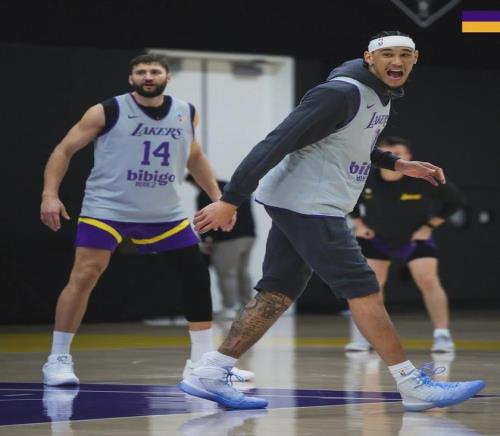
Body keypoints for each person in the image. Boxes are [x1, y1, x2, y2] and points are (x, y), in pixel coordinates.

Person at [178, 31, 485, 410]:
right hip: (311, 203)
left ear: (416, 58)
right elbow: (276, 142)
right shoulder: (339, 93)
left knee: (277, 292)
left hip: (299, 201)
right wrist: (230, 199)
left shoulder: (379, 94)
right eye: (388, 54)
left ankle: (212, 370)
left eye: (405, 55)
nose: (397, 62)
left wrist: (396, 163)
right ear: (369, 58)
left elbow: (352, 143)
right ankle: (412, 385)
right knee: (364, 289)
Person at [40, 53, 253, 386]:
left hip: (163, 213)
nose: (148, 76)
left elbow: (195, 156)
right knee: (84, 275)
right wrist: (50, 195)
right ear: (131, 78)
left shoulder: (186, 112)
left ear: (167, 77)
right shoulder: (107, 110)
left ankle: (201, 363)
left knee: (195, 277)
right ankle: (58, 358)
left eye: (155, 71)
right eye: (141, 72)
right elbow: (63, 149)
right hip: (108, 209)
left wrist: (219, 199)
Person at [346, 136, 466, 352]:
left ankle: (442, 335)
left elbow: (455, 201)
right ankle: (366, 337)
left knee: (428, 279)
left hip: (414, 239)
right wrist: (358, 224)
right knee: (370, 286)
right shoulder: (365, 178)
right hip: (377, 239)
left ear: (408, 157)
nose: (392, 158)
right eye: (387, 154)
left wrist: (428, 227)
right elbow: (346, 200)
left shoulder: (422, 177)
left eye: (398, 154)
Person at [187, 175, 256, 319]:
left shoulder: (205, 194)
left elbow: (204, 221)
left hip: (226, 239)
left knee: (227, 274)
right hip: (248, 236)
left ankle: (230, 307)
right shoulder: (235, 188)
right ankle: (248, 307)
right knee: (242, 272)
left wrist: (207, 240)